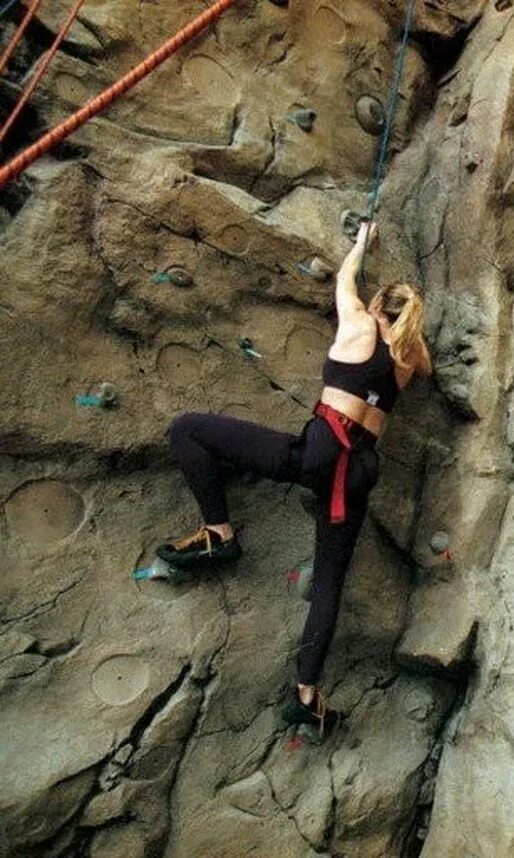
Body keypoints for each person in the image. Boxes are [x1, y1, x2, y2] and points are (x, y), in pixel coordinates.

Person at [159, 221, 432, 731]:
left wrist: (360, 244)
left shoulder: (360, 325)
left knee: (187, 430)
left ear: (378, 308)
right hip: (360, 471)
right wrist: (411, 323)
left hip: (321, 449)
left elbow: (343, 283)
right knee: (328, 582)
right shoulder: (407, 358)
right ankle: (306, 693)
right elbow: (426, 361)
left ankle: (219, 532)